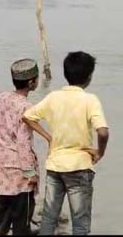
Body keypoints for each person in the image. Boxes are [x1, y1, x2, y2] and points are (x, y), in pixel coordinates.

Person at [23, 51, 109, 235]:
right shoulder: (90, 100)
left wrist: (48, 137)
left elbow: (28, 116)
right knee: (80, 223)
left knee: (49, 219)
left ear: (66, 73)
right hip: (79, 166)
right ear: (89, 77)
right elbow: (102, 131)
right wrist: (100, 152)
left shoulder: (54, 97)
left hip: (55, 165)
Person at [0, 59, 40, 236]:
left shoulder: (3, 97)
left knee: (1, 217)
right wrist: (30, 172)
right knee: (22, 219)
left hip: (3, 165)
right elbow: (23, 141)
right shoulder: (28, 108)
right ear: (31, 83)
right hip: (21, 171)